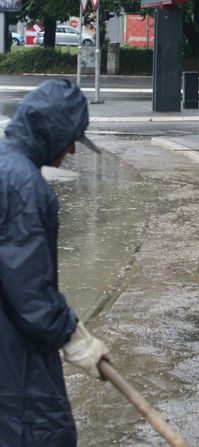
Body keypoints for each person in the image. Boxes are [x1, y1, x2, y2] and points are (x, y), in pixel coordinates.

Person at [0, 79, 111, 446]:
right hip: (14, 350)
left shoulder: (6, 166)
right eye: (72, 140)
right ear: (52, 132)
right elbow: (29, 287)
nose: (72, 152)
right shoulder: (24, 187)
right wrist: (71, 335)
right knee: (44, 431)